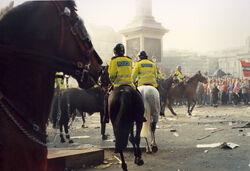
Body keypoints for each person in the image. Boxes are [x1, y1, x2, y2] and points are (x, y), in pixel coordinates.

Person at [104, 43, 145, 123]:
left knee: (107, 97)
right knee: (139, 96)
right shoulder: (129, 60)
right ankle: (140, 115)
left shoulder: (114, 60)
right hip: (130, 84)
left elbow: (111, 75)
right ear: (123, 51)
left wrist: (112, 81)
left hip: (117, 85)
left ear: (115, 52)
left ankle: (106, 116)